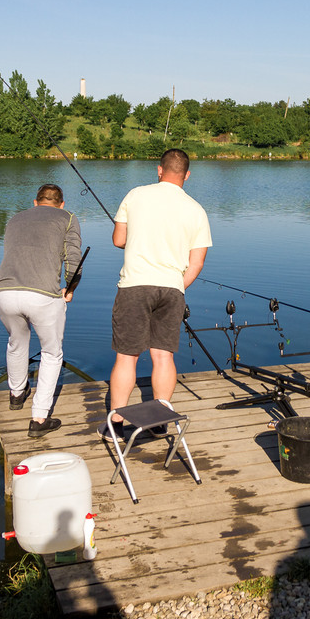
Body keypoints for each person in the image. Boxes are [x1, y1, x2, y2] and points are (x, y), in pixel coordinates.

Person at [103, 149, 212, 441]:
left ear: (159, 170)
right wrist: (177, 285)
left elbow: (119, 240)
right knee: (163, 356)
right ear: (187, 175)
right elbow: (197, 263)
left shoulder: (135, 195)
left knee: (127, 357)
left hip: (135, 286)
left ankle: (116, 424)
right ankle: (161, 419)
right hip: (172, 288)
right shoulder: (197, 210)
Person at [0, 183, 83, 438]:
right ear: (62, 204)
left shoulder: (15, 218)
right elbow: (74, 260)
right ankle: (39, 418)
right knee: (52, 353)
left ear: (35, 202)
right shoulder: (68, 218)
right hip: (43, 296)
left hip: (5, 292)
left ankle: (16, 394)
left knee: (17, 342)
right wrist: (70, 287)